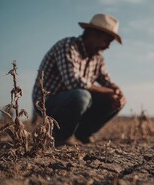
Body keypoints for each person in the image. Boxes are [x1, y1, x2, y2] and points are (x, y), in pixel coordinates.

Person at [32, 13, 126, 146]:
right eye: (107, 41)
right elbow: (73, 82)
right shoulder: (67, 46)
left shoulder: (97, 58)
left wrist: (117, 92)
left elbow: (107, 81)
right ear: (93, 34)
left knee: (115, 100)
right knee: (82, 95)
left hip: (74, 102)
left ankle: (83, 134)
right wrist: (107, 92)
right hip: (47, 102)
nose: (108, 46)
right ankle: (62, 137)